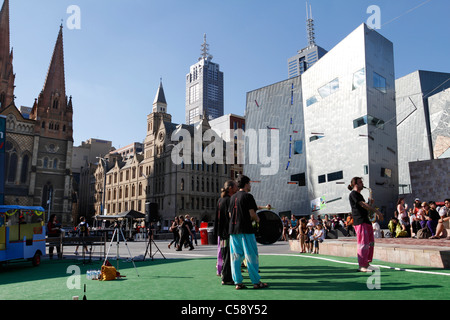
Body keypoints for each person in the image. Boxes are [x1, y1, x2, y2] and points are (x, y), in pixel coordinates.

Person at [228, 175, 269, 290]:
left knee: (235, 257)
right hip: (246, 230)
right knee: (251, 256)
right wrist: (258, 220)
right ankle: (256, 282)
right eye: (249, 184)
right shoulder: (248, 196)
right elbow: (252, 214)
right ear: (246, 184)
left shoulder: (232, 198)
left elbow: (230, 215)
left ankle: (238, 282)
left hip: (233, 230)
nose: (250, 186)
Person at [348, 177, 383, 272]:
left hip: (365, 221)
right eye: (360, 182)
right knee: (363, 244)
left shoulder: (359, 195)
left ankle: (366, 263)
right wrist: (377, 211)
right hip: (360, 221)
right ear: (355, 184)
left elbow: (364, 207)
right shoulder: (353, 194)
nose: (362, 184)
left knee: (370, 243)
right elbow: (362, 205)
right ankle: (362, 265)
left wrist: (369, 203)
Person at [214, 180, 238, 285]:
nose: (237, 188)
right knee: (229, 253)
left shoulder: (220, 200)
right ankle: (227, 277)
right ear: (230, 189)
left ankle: (225, 275)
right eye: (235, 187)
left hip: (221, 233)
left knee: (224, 253)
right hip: (228, 232)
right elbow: (231, 216)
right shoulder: (230, 200)